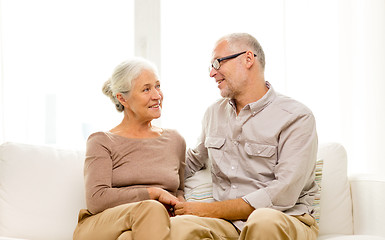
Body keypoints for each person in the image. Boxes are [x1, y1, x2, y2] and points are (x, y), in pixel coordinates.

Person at [171, 33, 319, 240]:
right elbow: (193, 160)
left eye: (217, 63)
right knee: (178, 227)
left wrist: (209, 210)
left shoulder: (296, 117)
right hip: (227, 224)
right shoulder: (213, 113)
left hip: (284, 219)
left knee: (263, 222)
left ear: (248, 59)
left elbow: (284, 192)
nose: (212, 73)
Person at [73, 58, 186, 240]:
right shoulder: (101, 141)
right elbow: (96, 199)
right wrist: (152, 193)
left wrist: (181, 205)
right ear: (122, 98)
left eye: (158, 86)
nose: (157, 95)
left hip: (154, 226)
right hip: (102, 224)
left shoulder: (175, 140)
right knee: (151, 208)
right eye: (146, 89)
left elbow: (179, 190)